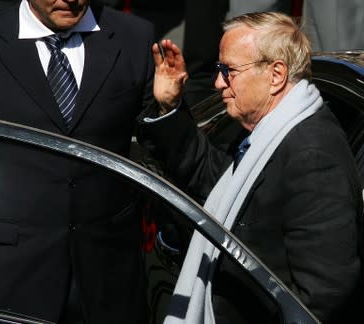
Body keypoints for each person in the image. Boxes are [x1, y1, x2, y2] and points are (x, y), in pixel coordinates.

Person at [0, 0, 155, 323]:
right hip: (6, 284)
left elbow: (161, 155)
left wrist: (168, 110)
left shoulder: (134, 39)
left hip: (107, 284)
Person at [138, 11, 364, 323]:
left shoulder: (312, 155)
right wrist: (169, 106)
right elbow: (213, 179)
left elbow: (321, 296)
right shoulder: (269, 135)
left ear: (276, 75)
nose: (218, 83)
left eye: (228, 70)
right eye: (218, 69)